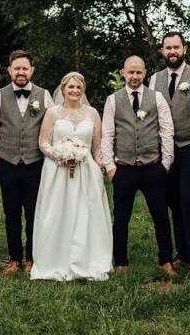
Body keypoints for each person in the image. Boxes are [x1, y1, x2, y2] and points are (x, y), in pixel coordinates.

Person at [30, 71, 113, 281]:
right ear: (63, 89)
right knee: (56, 213)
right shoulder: (52, 113)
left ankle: (86, 258)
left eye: (79, 87)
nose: (75, 91)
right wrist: (60, 155)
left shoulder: (92, 113)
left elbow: (97, 148)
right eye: (71, 87)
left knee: (85, 213)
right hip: (57, 171)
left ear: (83, 90)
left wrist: (99, 169)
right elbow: (43, 142)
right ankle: (54, 259)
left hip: (86, 171)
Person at [101, 56, 178, 277]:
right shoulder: (113, 100)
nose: (134, 76)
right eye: (131, 72)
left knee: (161, 215)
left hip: (153, 167)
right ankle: (121, 262)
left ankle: (165, 260)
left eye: (138, 72)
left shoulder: (157, 97)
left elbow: (167, 130)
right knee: (121, 217)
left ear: (144, 73)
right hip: (124, 168)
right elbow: (107, 135)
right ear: (123, 73)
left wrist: (165, 163)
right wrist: (110, 167)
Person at [149, 31, 190, 277]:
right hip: (166, 150)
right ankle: (183, 254)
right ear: (162, 51)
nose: (172, 51)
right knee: (173, 201)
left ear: (184, 49)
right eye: (168, 48)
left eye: (176, 47)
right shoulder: (155, 79)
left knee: (189, 199)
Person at [0, 50, 54, 276]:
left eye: (25, 68)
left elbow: (53, 128)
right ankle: (15, 259)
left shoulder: (44, 95)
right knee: (12, 215)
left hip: (36, 164)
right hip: (8, 164)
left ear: (31, 70)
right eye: (17, 68)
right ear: (10, 70)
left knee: (34, 214)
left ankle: (32, 258)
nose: (21, 72)